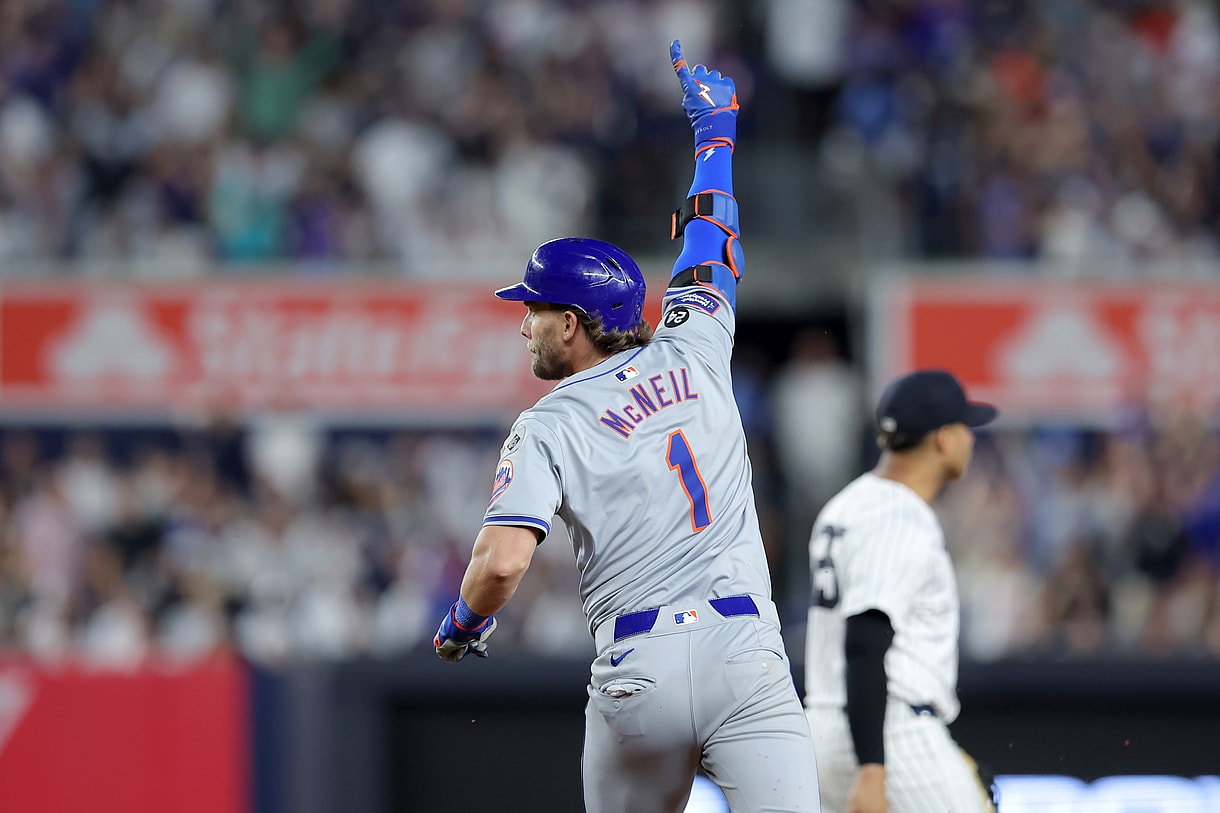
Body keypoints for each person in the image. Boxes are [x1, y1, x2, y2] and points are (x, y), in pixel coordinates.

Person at [433, 40, 820, 813]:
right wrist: (716, 137)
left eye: (534, 309)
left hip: (639, 664)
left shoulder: (548, 424)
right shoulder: (699, 345)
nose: (525, 325)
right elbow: (712, 240)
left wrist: (462, 622)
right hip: (745, 647)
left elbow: (503, 562)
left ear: (571, 324)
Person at [803, 369, 999, 813]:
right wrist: (874, 769)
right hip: (888, 732)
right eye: (966, 427)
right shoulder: (899, 515)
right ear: (944, 439)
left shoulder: (847, 503)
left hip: (825, 727)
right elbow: (866, 639)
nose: (972, 438)